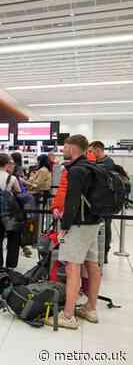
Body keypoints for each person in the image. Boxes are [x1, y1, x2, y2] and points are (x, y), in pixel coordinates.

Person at [56, 134, 103, 329]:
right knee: (92, 264)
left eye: (65, 147)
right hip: (94, 223)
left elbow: (72, 202)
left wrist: (65, 227)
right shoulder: (94, 166)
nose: (63, 150)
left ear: (73, 148)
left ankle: (67, 316)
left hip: (79, 225)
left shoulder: (76, 170)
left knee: (72, 266)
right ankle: (91, 308)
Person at [0, 154, 22, 269]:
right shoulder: (12, 178)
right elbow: (19, 192)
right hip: (9, 213)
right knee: (13, 239)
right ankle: (11, 265)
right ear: (6, 164)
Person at [89, 140, 115, 262]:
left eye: (91, 151)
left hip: (106, 203)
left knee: (106, 228)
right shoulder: (97, 162)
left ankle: (104, 253)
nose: (90, 153)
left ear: (98, 150)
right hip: (96, 202)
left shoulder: (108, 163)